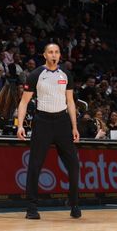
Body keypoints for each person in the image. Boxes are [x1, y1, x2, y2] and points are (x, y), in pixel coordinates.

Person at [15, 43, 81, 220]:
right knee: (35, 165)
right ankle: (32, 207)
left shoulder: (66, 74)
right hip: (42, 121)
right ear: (44, 54)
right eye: (50, 52)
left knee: (74, 165)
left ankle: (74, 203)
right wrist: (20, 125)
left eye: (57, 52)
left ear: (60, 55)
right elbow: (23, 103)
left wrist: (74, 127)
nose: (54, 55)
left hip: (62, 122)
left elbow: (71, 102)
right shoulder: (36, 74)